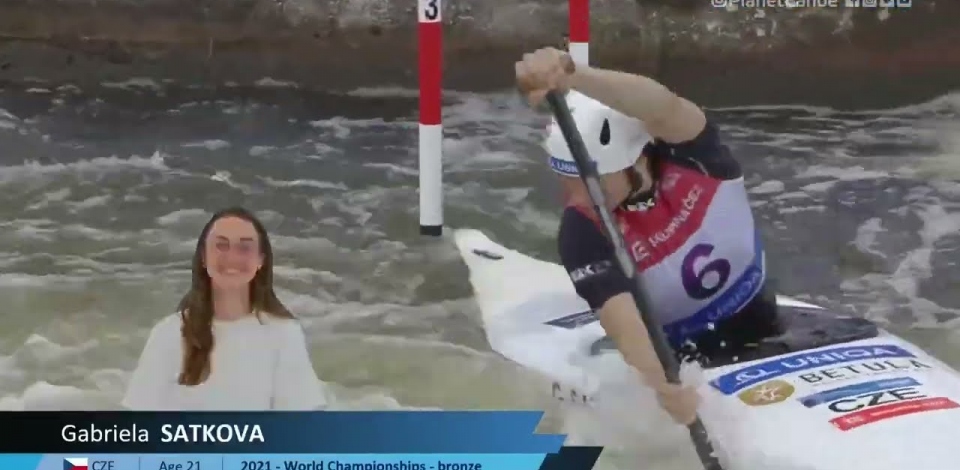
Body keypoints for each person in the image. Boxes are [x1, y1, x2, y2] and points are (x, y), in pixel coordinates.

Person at [515, 48, 782, 424]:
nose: (574, 196)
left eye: (587, 181)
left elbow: (662, 105)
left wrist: (574, 75)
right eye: (566, 180)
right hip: (686, 358)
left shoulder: (696, 156)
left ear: (635, 159)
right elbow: (624, 326)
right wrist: (665, 387)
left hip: (770, 328)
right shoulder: (582, 231)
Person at [122, 207, 328, 410]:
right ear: (203, 257)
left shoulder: (283, 334)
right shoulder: (169, 333)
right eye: (221, 245)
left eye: (244, 247)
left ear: (261, 261)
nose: (232, 257)